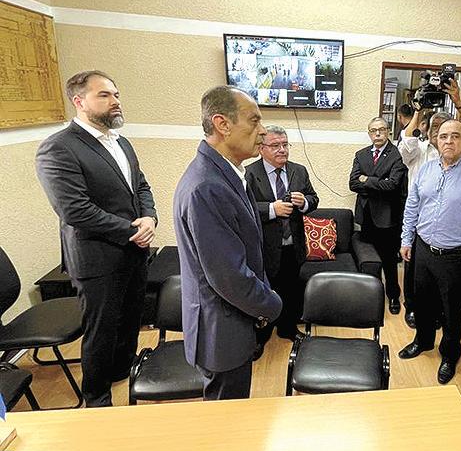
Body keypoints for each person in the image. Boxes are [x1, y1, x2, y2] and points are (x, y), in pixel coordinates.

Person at [36, 70, 157, 407]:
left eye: (116, 94)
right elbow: (75, 210)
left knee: (130, 320)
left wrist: (149, 218)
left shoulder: (121, 142)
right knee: (101, 331)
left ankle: (122, 374)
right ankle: (96, 398)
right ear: (79, 101)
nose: (115, 101)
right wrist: (132, 230)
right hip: (97, 258)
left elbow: (141, 187)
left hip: (134, 251)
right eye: (104, 95)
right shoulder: (58, 147)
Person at [173, 86, 282, 400]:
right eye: (254, 121)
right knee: (226, 417)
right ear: (222, 124)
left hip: (231, 321)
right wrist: (272, 304)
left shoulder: (226, 173)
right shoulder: (207, 186)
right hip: (221, 328)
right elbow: (228, 276)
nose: (263, 131)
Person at [399, 119, 461, 384]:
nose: (448, 141)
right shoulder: (425, 170)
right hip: (423, 248)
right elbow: (412, 206)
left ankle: (450, 355)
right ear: (436, 140)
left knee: (451, 310)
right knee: (422, 302)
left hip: (456, 256)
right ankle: (423, 341)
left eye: (455, 136)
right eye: (443, 136)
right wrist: (406, 239)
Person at [398, 78, 461, 328]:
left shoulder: (459, 154)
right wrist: (418, 110)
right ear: (426, 130)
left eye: (448, 132)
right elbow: (405, 141)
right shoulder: (419, 150)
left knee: (443, 284)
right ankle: (413, 310)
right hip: (419, 225)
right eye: (435, 128)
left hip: (449, 233)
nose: (440, 135)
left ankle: (438, 315)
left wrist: (458, 102)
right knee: (414, 276)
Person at [245, 125, 319, 355]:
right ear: (262, 148)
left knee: (291, 291)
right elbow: (242, 208)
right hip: (263, 249)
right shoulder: (249, 173)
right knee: (263, 294)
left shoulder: (299, 171)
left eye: (285, 145)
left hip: (293, 247)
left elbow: (314, 199)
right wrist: (271, 209)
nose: (282, 150)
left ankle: (288, 329)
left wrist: (304, 202)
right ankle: (261, 336)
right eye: (275, 145)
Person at [349, 117, 408, 314]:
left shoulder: (396, 155)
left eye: (381, 129)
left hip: (387, 219)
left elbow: (393, 185)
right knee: (369, 260)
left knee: (389, 261)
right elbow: (353, 184)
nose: (377, 134)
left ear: (388, 131)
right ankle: (371, 297)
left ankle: (393, 295)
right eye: (373, 130)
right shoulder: (361, 154)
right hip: (366, 217)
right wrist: (378, 182)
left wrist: (366, 180)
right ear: (369, 133)